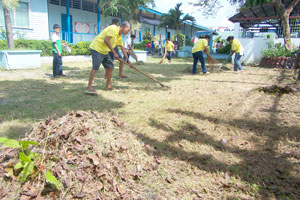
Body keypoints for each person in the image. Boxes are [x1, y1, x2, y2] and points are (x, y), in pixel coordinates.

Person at [86, 21, 134, 94]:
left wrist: (128, 61)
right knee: (95, 67)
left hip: (105, 51)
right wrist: (114, 53)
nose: (128, 32)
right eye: (128, 30)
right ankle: (89, 87)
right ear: (124, 26)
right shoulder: (113, 28)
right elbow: (106, 40)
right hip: (97, 48)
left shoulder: (120, 36)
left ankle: (108, 85)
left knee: (110, 66)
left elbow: (123, 48)